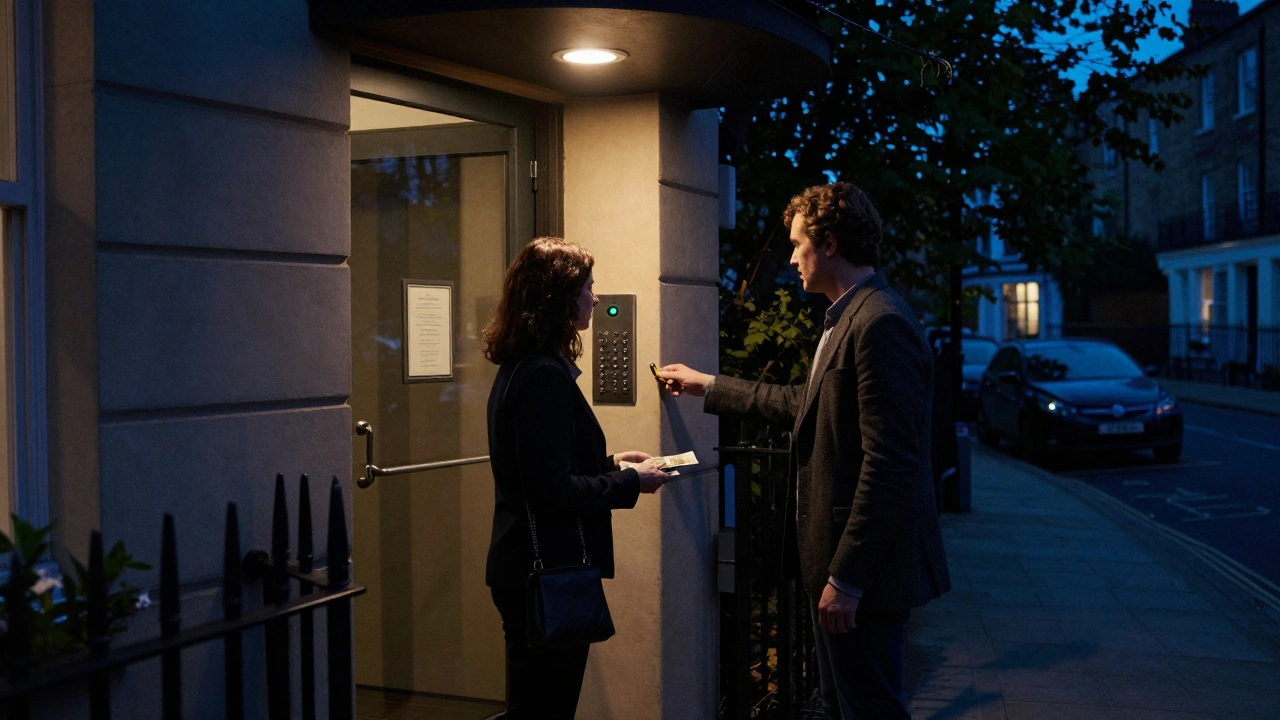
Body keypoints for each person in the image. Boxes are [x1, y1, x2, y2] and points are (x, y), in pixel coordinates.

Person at [660, 183, 950, 719]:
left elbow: (891, 465)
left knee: (870, 710)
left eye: (798, 244)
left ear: (830, 244)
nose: (791, 257)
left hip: (865, 578)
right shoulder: (849, 314)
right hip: (847, 573)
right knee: (844, 708)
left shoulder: (879, 322)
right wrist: (710, 385)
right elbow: (803, 402)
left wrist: (848, 578)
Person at [482, 236, 673, 720]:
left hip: (527, 565)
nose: (595, 297)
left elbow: (542, 466)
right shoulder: (542, 375)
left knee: (536, 700)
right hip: (542, 572)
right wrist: (634, 482)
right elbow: (551, 491)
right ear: (558, 298)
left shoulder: (522, 367)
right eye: (588, 286)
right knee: (546, 706)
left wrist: (610, 464)